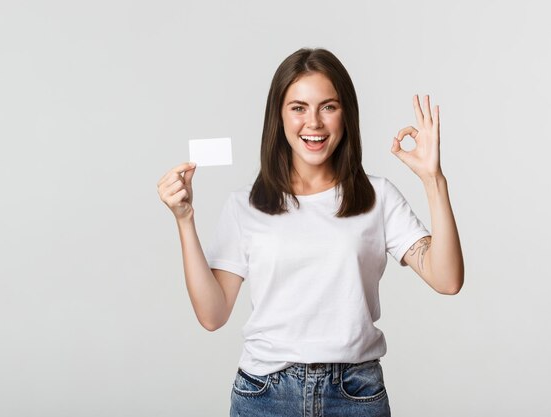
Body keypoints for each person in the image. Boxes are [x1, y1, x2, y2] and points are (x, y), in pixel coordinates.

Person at [157, 48, 463, 417]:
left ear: (346, 114)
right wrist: (184, 219)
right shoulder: (246, 205)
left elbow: (447, 279)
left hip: (355, 394)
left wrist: (434, 180)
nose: (313, 123)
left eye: (328, 107)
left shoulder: (377, 197)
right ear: (279, 116)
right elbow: (212, 314)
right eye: (298, 107)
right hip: (265, 395)